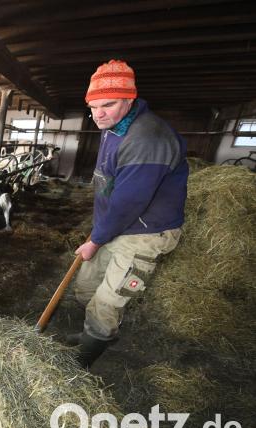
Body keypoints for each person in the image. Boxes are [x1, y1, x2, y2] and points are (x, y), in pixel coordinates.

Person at [68, 60, 189, 368]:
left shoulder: (148, 137)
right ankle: (91, 334)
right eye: (93, 107)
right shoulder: (113, 127)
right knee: (85, 286)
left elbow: (129, 201)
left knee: (108, 300)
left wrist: (96, 239)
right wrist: (100, 230)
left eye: (107, 104)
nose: (98, 114)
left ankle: (81, 362)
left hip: (144, 232)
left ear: (130, 99)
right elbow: (110, 187)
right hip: (114, 225)